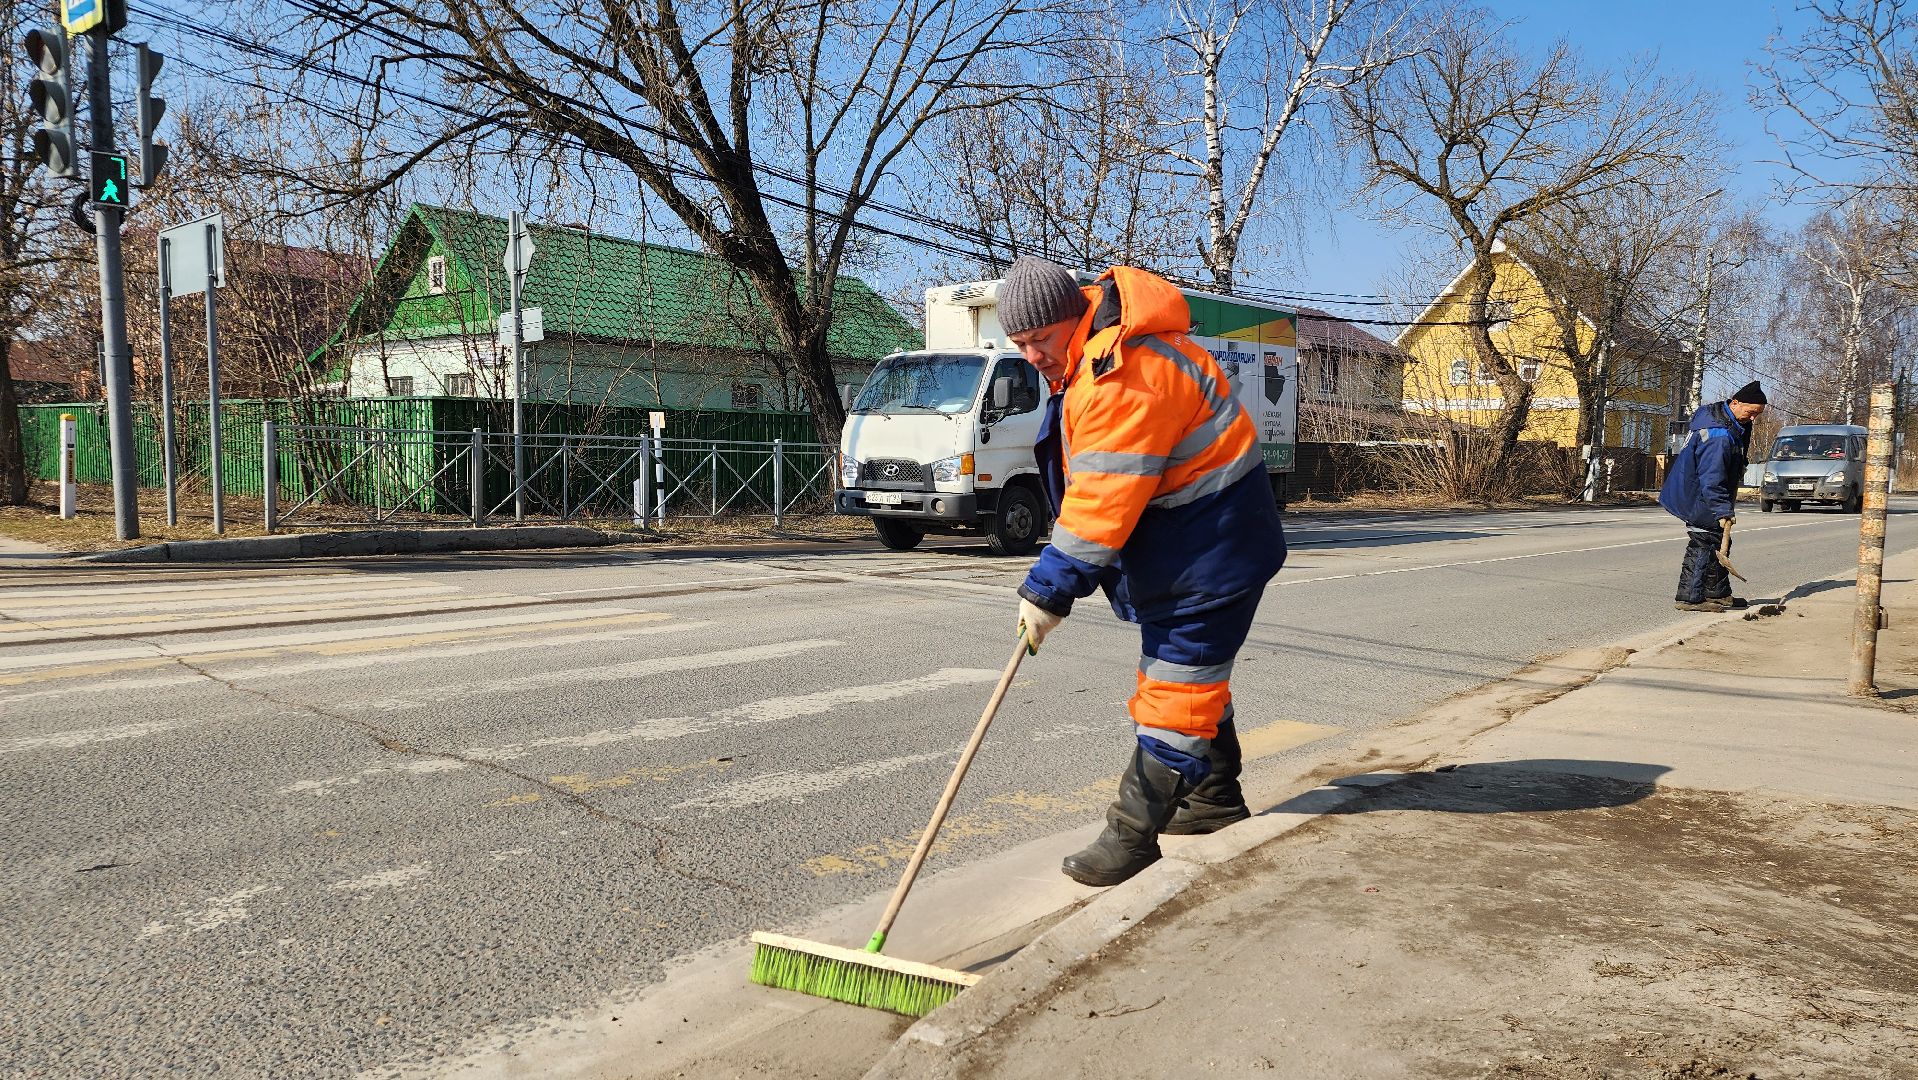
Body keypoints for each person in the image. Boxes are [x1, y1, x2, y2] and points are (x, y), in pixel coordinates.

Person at [996, 255, 1287, 887]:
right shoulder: (1095, 356)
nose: (1032, 356)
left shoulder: (1126, 371)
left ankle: (1131, 835)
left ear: (1072, 314)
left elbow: (1103, 495)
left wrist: (1049, 589)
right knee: (1191, 677)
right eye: (1019, 344)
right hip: (1191, 546)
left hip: (1211, 553)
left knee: (1177, 688)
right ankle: (1213, 799)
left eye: (1040, 338)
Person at [1659, 380, 1767, 612]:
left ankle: (1717, 593)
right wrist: (1722, 510)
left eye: (1758, 414)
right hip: (1698, 494)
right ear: (1735, 403)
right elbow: (1712, 477)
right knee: (1703, 542)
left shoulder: (1729, 422)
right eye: (1751, 412)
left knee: (1717, 540)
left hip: (1704, 491)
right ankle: (1689, 597)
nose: (1753, 418)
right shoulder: (1719, 435)